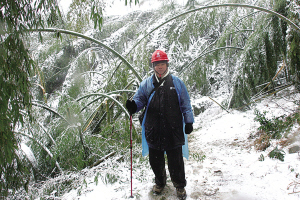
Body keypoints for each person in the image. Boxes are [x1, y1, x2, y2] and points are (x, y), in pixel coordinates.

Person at [126, 49, 194, 199]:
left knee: (175, 161)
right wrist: (133, 106)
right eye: (157, 64)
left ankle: (180, 185)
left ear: (167, 64)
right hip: (153, 129)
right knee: (155, 161)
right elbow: (140, 99)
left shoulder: (177, 83)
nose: (160, 67)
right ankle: (160, 182)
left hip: (173, 129)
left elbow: (185, 104)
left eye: (162, 63)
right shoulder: (147, 84)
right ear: (153, 66)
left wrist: (189, 121)